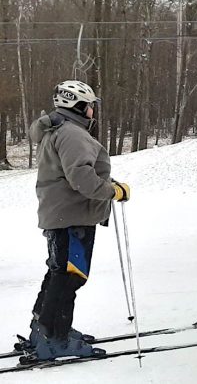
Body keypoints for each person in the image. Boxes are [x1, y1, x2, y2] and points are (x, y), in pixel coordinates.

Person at [26, 80, 130, 361]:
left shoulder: (56, 129)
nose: (93, 112)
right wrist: (112, 191)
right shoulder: (73, 133)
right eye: (91, 106)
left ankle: (45, 328)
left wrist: (105, 183)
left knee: (58, 273)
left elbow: (72, 172)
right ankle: (55, 339)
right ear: (80, 106)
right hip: (73, 215)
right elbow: (81, 178)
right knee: (70, 277)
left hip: (61, 212)